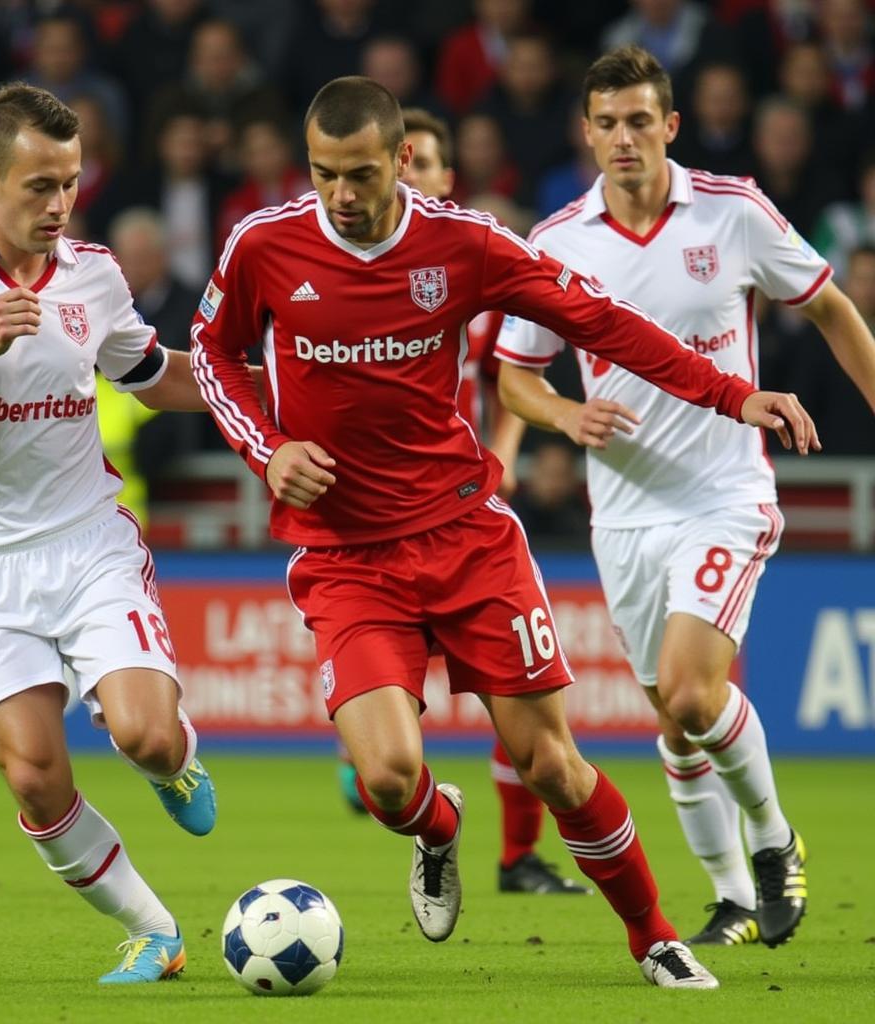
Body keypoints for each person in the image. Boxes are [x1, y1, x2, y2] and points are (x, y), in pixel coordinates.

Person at [190, 75, 819, 988]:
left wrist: (732, 393)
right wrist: (268, 449)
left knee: (554, 767)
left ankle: (653, 935)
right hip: (344, 555)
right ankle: (438, 830)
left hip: (465, 539)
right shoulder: (264, 244)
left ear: (403, 159)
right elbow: (212, 351)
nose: (343, 196)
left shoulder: (467, 243)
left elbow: (603, 321)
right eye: (325, 175)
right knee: (390, 783)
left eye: (361, 173)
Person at [496, 45, 875, 949]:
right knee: (672, 717)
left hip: (724, 492)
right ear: (585, 134)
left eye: (639, 120)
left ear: (669, 126)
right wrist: (562, 414)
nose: (623, 138)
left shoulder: (733, 211)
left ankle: (776, 841)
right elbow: (515, 378)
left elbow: (829, 307)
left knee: (700, 698)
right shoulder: (555, 244)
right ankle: (734, 897)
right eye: (606, 123)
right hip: (623, 513)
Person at [0, 83, 217, 985]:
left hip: (88, 543)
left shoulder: (94, 273)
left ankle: (176, 762)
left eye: (71, 182)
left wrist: (258, 387)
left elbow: (147, 371)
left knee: (144, 736)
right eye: (39, 186)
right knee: (33, 776)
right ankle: (155, 931)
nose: (59, 205)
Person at [334, 106, 591, 897]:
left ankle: (517, 856)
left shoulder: (472, 268)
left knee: (513, 707)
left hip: (466, 512)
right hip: (378, 525)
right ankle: (399, 784)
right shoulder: (350, 270)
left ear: (442, 176)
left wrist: (505, 452)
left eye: (422, 166)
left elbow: (515, 374)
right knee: (386, 723)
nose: (406, 181)